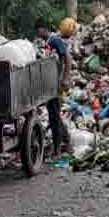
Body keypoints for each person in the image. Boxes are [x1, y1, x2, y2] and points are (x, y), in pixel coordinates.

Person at [35, 18, 79, 156]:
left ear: (43, 29)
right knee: (54, 114)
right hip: (49, 84)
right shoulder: (46, 42)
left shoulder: (55, 40)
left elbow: (67, 58)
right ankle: (66, 142)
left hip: (56, 83)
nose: (37, 33)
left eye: (38, 30)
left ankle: (57, 149)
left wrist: (65, 78)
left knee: (54, 115)